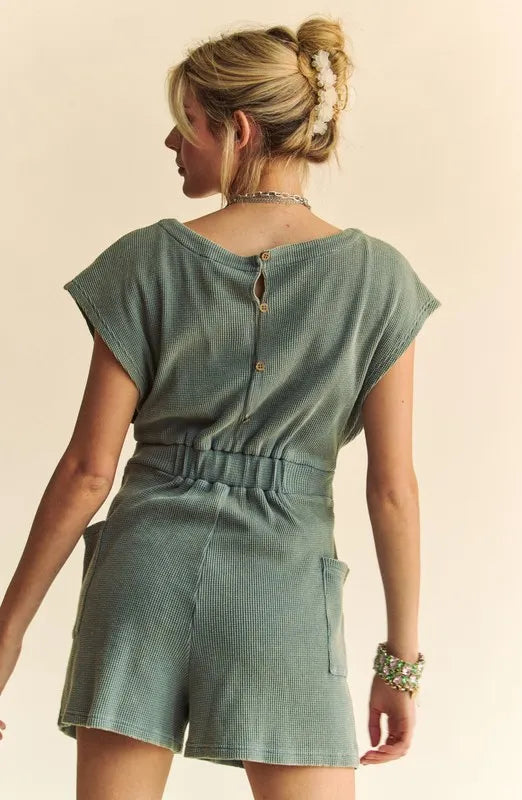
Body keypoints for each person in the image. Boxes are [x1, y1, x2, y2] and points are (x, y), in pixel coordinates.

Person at [0, 15, 440, 800]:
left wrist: (7, 632)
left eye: (187, 123)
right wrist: (398, 665)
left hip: (144, 575)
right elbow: (392, 489)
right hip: (283, 590)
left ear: (237, 130)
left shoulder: (145, 261)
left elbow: (87, 472)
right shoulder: (380, 280)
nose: (172, 142)